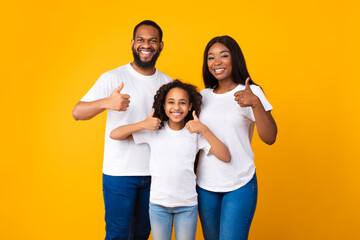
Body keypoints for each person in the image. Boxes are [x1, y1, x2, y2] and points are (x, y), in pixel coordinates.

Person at [72, 20, 172, 240]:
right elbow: (77, 112)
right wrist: (106, 102)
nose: (146, 45)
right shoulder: (113, 78)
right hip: (119, 173)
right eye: (141, 40)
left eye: (152, 41)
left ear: (161, 46)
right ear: (132, 43)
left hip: (155, 173)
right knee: (118, 234)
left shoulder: (168, 83)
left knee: (142, 234)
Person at [110, 80, 231, 240]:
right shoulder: (154, 130)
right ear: (164, 106)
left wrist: (203, 128)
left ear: (190, 106)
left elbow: (225, 156)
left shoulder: (194, 133)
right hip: (158, 205)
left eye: (182, 103)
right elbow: (115, 134)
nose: (176, 107)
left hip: (187, 206)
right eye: (171, 102)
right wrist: (142, 124)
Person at [196, 36, 278, 240]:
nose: (217, 62)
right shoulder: (203, 96)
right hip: (205, 184)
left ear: (235, 59)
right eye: (211, 57)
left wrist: (256, 103)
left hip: (239, 182)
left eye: (224, 55)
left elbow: (270, 138)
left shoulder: (250, 92)